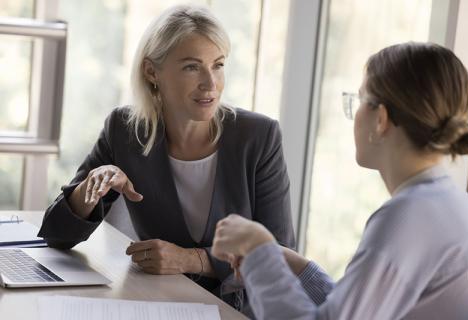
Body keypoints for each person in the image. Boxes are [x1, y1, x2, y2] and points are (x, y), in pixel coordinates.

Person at [38, 4, 294, 307]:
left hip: (241, 309)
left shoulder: (259, 136)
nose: (210, 84)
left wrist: (191, 260)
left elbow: (280, 253)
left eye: (218, 65)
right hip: (158, 304)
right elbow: (56, 235)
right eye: (191, 66)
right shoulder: (125, 130)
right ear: (151, 71)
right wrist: (90, 188)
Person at [211, 42, 468, 319]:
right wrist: (294, 265)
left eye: (361, 99)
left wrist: (258, 251)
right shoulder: (457, 206)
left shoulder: (409, 217)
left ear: (381, 119)